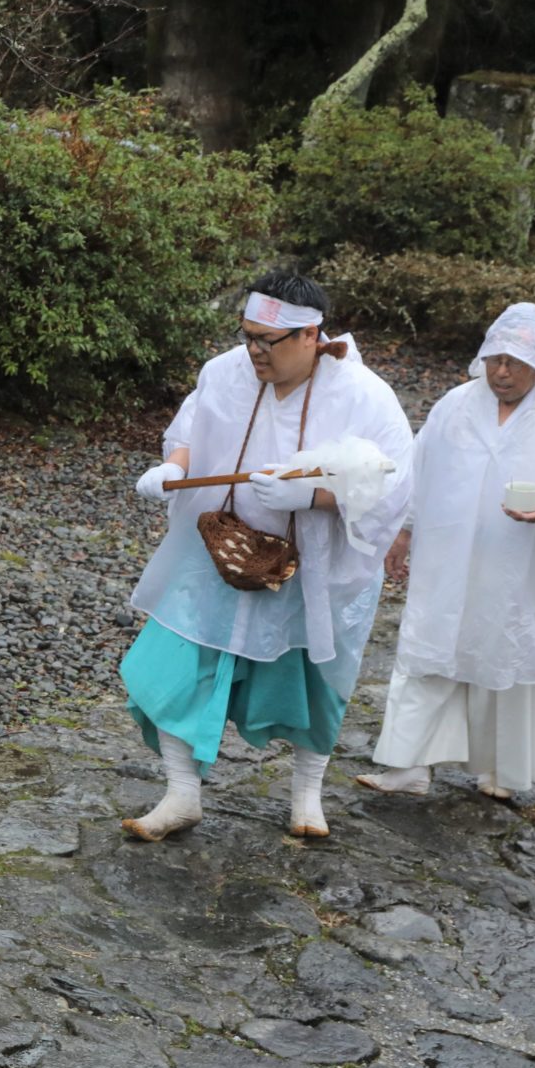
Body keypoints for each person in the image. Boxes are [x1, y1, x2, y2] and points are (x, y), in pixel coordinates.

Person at [121, 270, 413, 841]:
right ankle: (182, 792)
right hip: (218, 551)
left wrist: (314, 496)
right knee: (174, 663)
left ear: (311, 337)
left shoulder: (364, 396)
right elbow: (189, 427)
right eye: (247, 335)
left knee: (313, 678)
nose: (252, 351)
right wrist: (175, 468)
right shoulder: (224, 372)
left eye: (266, 341)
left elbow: (392, 485)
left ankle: (307, 793)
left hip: (315, 564)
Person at [363, 304, 535, 801]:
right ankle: (409, 765)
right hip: (448, 554)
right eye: (495, 359)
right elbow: (421, 468)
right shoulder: (456, 405)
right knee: (431, 647)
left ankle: (501, 769)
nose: (502, 371)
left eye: (515, 362)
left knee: (508, 653)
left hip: (520, 563)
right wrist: (404, 530)